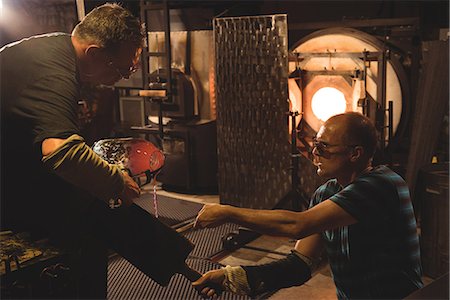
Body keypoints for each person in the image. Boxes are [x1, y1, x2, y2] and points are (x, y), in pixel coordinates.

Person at [1, 3, 196, 299]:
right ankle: (186, 269)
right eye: (121, 69)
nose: (124, 76)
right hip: (9, 192)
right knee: (95, 213)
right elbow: (61, 152)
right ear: (93, 53)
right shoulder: (54, 73)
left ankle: (184, 266)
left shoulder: (53, 49)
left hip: (15, 169)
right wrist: (116, 181)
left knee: (99, 204)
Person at [192, 112, 423, 299]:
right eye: (315, 144)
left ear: (355, 154)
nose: (314, 153)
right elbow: (298, 266)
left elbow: (298, 225)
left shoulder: (382, 185)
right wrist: (230, 276)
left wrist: (228, 212)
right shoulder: (325, 194)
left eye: (323, 148)